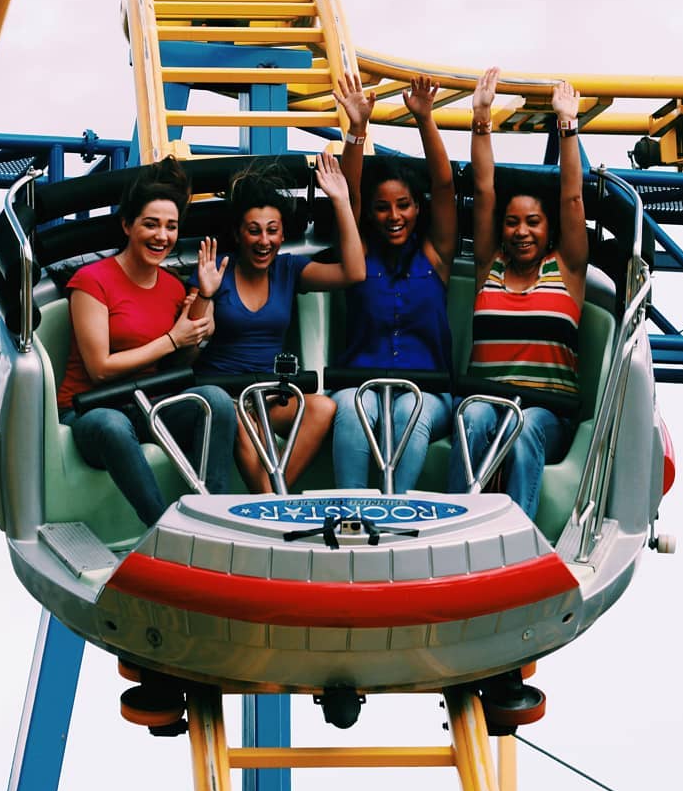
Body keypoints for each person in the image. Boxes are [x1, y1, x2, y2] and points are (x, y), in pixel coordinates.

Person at [56, 159, 237, 526]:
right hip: (91, 410)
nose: (162, 236)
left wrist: (204, 296)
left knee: (215, 401)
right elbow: (101, 369)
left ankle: (215, 517)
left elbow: (183, 357)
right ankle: (162, 527)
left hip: (147, 406)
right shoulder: (91, 282)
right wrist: (171, 339)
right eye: (151, 224)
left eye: (171, 227)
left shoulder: (172, 287)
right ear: (127, 225)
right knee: (111, 425)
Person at [447, 69, 587, 518]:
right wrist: (482, 117)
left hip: (548, 410)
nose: (521, 231)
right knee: (471, 419)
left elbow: (571, 199)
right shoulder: (491, 266)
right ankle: (458, 520)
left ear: (549, 232)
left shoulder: (566, 271)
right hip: (486, 402)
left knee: (525, 429)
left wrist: (567, 126)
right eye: (512, 222)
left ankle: (515, 529)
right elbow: (484, 190)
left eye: (532, 222)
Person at [193, 152, 365, 492]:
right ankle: (272, 500)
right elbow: (191, 340)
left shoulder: (287, 270)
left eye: (272, 231)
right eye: (254, 231)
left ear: (283, 234)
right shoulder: (217, 272)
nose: (264, 240)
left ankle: (271, 497)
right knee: (243, 427)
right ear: (239, 234)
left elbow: (354, 272)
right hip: (224, 397)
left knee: (322, 408)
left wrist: (342, 201)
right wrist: (204, 294)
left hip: (268, 397)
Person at [330, 71, 456, 491]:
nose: (394, 216)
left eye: (403, 205)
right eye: (383, 208)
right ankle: (350, 511)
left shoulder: (434, 255)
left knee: (409, 412)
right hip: (361, 385)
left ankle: (391, 509)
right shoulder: (361, 254)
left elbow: (442, 185)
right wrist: (357, 129)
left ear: (416, 209)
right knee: (350, 407)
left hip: (428, 393)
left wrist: (425, 119)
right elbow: (347, 195)